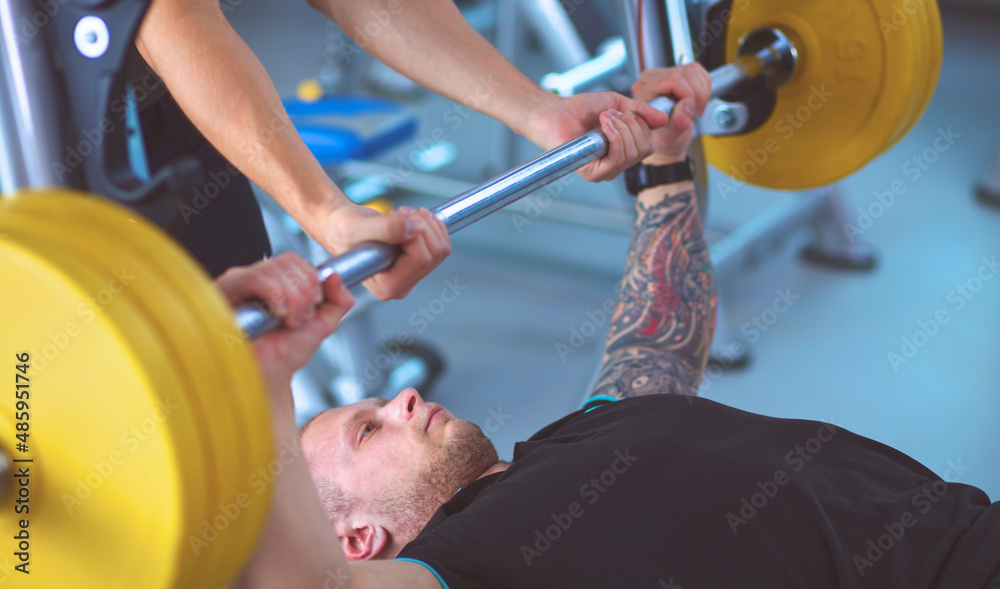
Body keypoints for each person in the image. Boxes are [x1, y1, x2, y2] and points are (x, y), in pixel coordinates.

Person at [219, 64, 1000, 588]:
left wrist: (662, 166)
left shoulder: (573, 445)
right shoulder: (470, 561)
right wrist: (264, 381)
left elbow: (658, 340)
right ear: (357, 542)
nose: (405, 398)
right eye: (368, 431)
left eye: (378, 404)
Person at [131, 0, 667, 297]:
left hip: (162, 111)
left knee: (232, 360)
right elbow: (171, 18)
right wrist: (330, 214)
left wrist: (537, 110)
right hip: (66, 149)